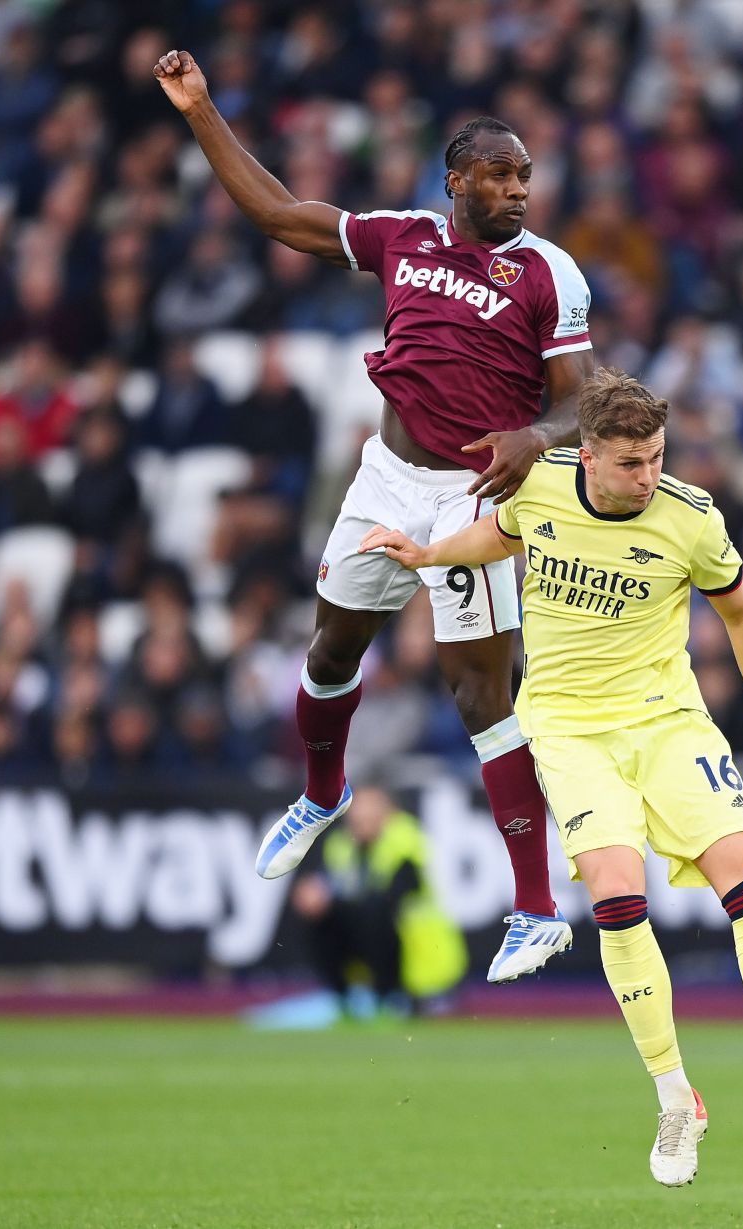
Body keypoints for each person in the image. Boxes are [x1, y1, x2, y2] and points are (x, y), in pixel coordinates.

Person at [156, 50, 597, 982]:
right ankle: (322, 795)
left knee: (482, 693)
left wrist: (536, 436)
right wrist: (200, 110)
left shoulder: (549, 273)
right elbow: (278, 215)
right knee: (327, 655)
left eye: (526, 175)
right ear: (457, 181)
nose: (520, 189)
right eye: (502, 174)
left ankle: (534, 906)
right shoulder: (402, 235)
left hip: (476, 497)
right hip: (387, 480)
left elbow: (584, 399)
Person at [361, 370, 743, 1188]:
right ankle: (674, 1097)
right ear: (585, 454)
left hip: (668, 723)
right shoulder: (541, 485)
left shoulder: (690, 517)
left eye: (656, 458)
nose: (647, 476)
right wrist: (433, 552)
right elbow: (505, 537)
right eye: (629, 463)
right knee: (619, 901)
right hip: (571, 730)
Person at [288, 785, 468, 1016]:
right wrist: (317, 895)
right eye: (356, 815)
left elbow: (388, 899)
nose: (361, 821)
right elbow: (336, 887)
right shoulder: (342, 844)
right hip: (374, 941)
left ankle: (389, 998)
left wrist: (331, 899)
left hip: (420, 956)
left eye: (368, 814)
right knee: (319, 917)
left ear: (388, 813)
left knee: (374, 914)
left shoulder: (405, 840)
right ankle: (344, 999)